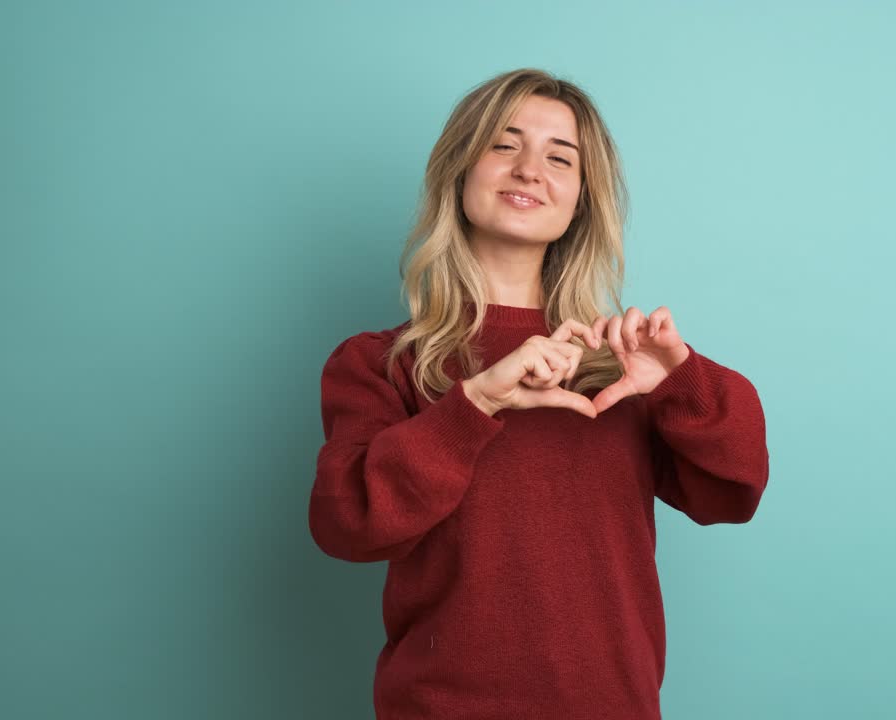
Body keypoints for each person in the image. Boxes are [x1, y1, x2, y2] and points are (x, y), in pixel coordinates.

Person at [309, 68, 770, 719]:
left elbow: (734, 491)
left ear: (581, 197)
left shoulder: (622, 364)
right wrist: (476, 405)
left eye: (560, 157)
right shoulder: (381, 363)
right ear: (459, 169)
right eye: (504, 144)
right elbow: (346, 524)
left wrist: (680, 377)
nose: (530, 169)